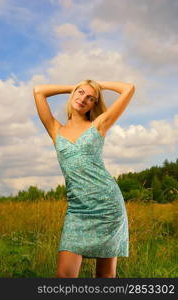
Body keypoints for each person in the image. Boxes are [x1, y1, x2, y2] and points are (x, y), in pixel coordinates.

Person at [33, 79, 135, 278]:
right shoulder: (56, 129)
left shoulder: (99, 125)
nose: (83, 99)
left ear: (94, 105)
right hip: (78, 209)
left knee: (105, 277)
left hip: (107, 206)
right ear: (73, 95)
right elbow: (39, 91)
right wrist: (74, 87)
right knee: (64, 277)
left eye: (90, 98)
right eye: (80, 94)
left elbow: (128, 89)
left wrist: (98, 85)